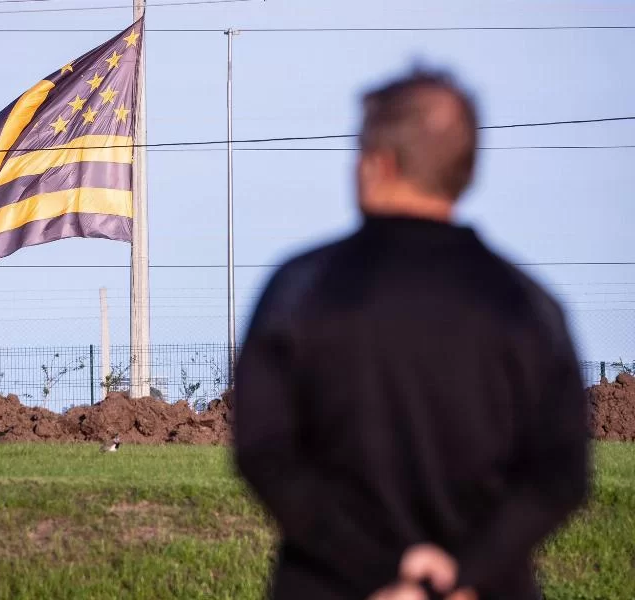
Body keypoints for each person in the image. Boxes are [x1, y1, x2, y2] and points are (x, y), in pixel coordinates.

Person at [234, 69, 589, 600]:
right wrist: (464, 574)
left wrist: (382, 569)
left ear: (381, 164)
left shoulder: (300, 289)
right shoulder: (531, 307)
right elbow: (560, 475)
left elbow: (264, 452)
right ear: (463, 170)